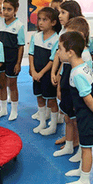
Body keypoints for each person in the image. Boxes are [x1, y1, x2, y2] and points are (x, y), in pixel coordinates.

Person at [58, 31, 93, 184]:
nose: (58, 52)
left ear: (70, 52)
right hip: (86, 114)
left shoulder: (77, 73)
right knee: (83, 144)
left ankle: (85, 179)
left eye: (60, 49)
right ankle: (82, 170)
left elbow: (88, 97)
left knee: (87, 148)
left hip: (88, 116)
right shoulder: (84, 66)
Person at [53, 16, 92, 162]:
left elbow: (89, 78)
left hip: (77, 92)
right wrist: (59, 87)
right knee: (67, 117)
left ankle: (81, 149)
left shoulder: (85, 55)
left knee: (77, 121)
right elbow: (64, 68)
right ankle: (69, 144)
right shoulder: (67, 53)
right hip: (66, 87)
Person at [51, 1, 85, 153]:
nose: (59, 16)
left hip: (74, 78)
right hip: (66, 74)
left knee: (74, 113)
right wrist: (56, 73)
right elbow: (60, 56)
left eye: (63, 12)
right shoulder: (63, 31)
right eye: (59, 12)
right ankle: (69, 137)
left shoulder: (78, 40)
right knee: (66, 112)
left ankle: (75, 140)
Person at [29, 7, 61, 135]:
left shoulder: (56, 39)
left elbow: (53, 59)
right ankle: (42, 121)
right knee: (39, 98)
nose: (40, 23)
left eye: (44, 20)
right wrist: (33, 70)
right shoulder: (35, 36)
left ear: (53, 22)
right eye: (39, 20)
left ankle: (53, 125)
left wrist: (41, 73)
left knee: (51, 100)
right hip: (36, 73)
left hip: (47, 74)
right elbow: (31, 54)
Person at [0, 0, 25, 121]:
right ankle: (3, 109)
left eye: (9, 9)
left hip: (12, 59)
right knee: (1, 84)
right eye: (3, 9)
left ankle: (14, 110)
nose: (5, 12)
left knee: (12, 85)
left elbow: (21, 46)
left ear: (15, 10)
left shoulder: (19, 26)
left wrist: (18, 63)